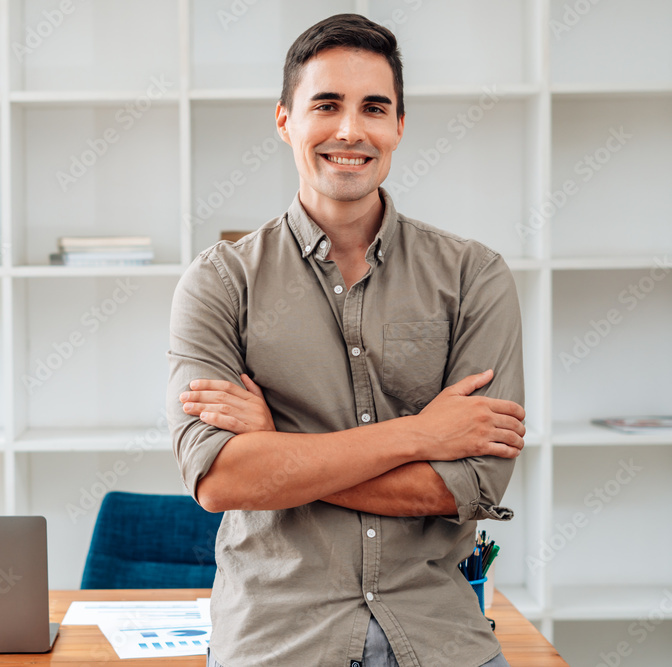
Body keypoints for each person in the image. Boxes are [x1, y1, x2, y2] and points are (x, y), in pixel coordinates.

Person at [165, 13, 526, 667]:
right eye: (326, 105)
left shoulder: (475, 276)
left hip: (441, 637)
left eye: (374, 108)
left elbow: (470, 483)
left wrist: (276, 451)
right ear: (285, 121)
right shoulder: (220, 281)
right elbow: (220, 479)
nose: (351, 130)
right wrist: (420, 434)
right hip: (278, 639)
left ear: (399, 127)